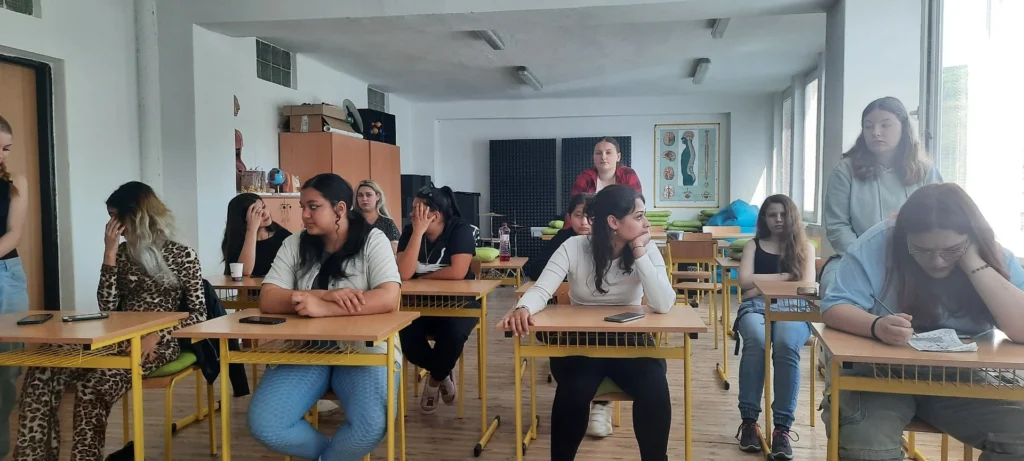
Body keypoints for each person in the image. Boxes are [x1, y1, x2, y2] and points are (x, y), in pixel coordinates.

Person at [820, 183, 1024, 461]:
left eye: (951, 250)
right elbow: (834, 306)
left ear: (971, 237)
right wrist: (876, 326)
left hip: (960, 377)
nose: (937, 261)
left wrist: (973, 261)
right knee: (866, 447)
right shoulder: (878, 242)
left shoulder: (990, 253)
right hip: (877, 373)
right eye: (922, 250)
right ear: (904, 238)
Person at [13, 181, 207, 461]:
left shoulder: (183, 255)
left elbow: (199, 314)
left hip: (158, 342)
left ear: (136, 216)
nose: (112, 225)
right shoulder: (123, 253)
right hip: (116, 336)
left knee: (93, 387)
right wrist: (110, 254)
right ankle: (32, 457)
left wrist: (158, 336)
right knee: (42, 369)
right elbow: (107, 307)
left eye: (115, 217)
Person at [501, 185, 675, 461]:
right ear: (613, 222)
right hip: (580, 340)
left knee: (654, 387)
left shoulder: (647, 248)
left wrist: (640, 251)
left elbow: (663, 304)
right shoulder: (573, 246)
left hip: (630, 340)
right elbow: (542, 289)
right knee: (574, 389)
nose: (646, 224)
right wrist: (523, 307)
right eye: (639, 216)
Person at [247, 173, 402, 460]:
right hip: (306, 347)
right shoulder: (295, 243)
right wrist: (323, 296)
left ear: (340, 209)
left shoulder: (373, 239)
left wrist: (326, 308)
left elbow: (389, 297)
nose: (304, 215)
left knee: (370, 426)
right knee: (267, 425)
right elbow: (268, 298)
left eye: (313, 207)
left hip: (365, 350)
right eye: (302, 207)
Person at [821, 96, 942, 292]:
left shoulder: (926, 171)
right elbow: (837, 226)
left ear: (903, 127)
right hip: (856, 258)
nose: (875, 132)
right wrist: (865, 259)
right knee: (834, 287)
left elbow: (939, 222)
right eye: (868, 126)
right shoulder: (845, 170)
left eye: (885, 125)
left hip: (915, 259)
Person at [733, 195, 816, 460]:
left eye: (783, 214)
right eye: (772, 215)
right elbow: (743, 282)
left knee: (785, 344)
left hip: (794, 308)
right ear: (764, 219)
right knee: (756, 342)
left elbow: (807, 287)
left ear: (792, 216)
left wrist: (759, 286)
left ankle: (782, 428)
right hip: (756, 307)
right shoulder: (753, 245)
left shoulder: (806, 248)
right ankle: (749, 421)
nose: (778, 219)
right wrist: (786, 277)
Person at [395, 185, 478, 414]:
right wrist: (417, 233)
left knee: (452, 334)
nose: (411, 213)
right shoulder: (410, 231)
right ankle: (443, 370)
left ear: (435, 215)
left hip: (459, 303)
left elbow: (458, 271)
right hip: (418, 303)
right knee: (405, 336)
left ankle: (434, 381)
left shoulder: (459, 229)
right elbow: (403, 273)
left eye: (417, 209)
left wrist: (422, 279)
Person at [0, 115, 28, 460]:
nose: (1, 155)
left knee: (6, 368)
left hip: (5, 275)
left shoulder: (15, 183)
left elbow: (13, 234)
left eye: (6, 148)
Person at [221, 192, 292, 277]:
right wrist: (251, 230)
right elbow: (244, 272)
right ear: (243, 219)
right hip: (247, 286)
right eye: (257, 212)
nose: (264, 213)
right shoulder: (235, 242)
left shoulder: (284, 237)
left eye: (263, 207)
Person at [570, 137, 642, 196]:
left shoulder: (628, 174)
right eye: (598, 153)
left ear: (618, 157)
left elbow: (638, 205)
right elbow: (574, 207)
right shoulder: (585, 177)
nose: (603, 157)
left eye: (608, 152)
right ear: (594, 158)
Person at [356, 179, 401, 253]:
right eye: (360, 195)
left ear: (378, 196)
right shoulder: (351, 220)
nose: (364, 199)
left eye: (368, 195)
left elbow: (395, 249)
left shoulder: (387, 223)